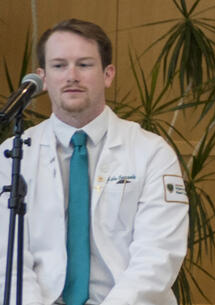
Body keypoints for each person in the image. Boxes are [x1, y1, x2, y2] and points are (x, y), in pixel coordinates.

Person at [0, 19, 189, 305]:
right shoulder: (13, 155)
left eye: (84, 65)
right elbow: (7, 260)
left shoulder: (152, 153)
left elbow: (157, 256)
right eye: (59, 65)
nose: (71, 76)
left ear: (108, 74)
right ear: (43, 78)